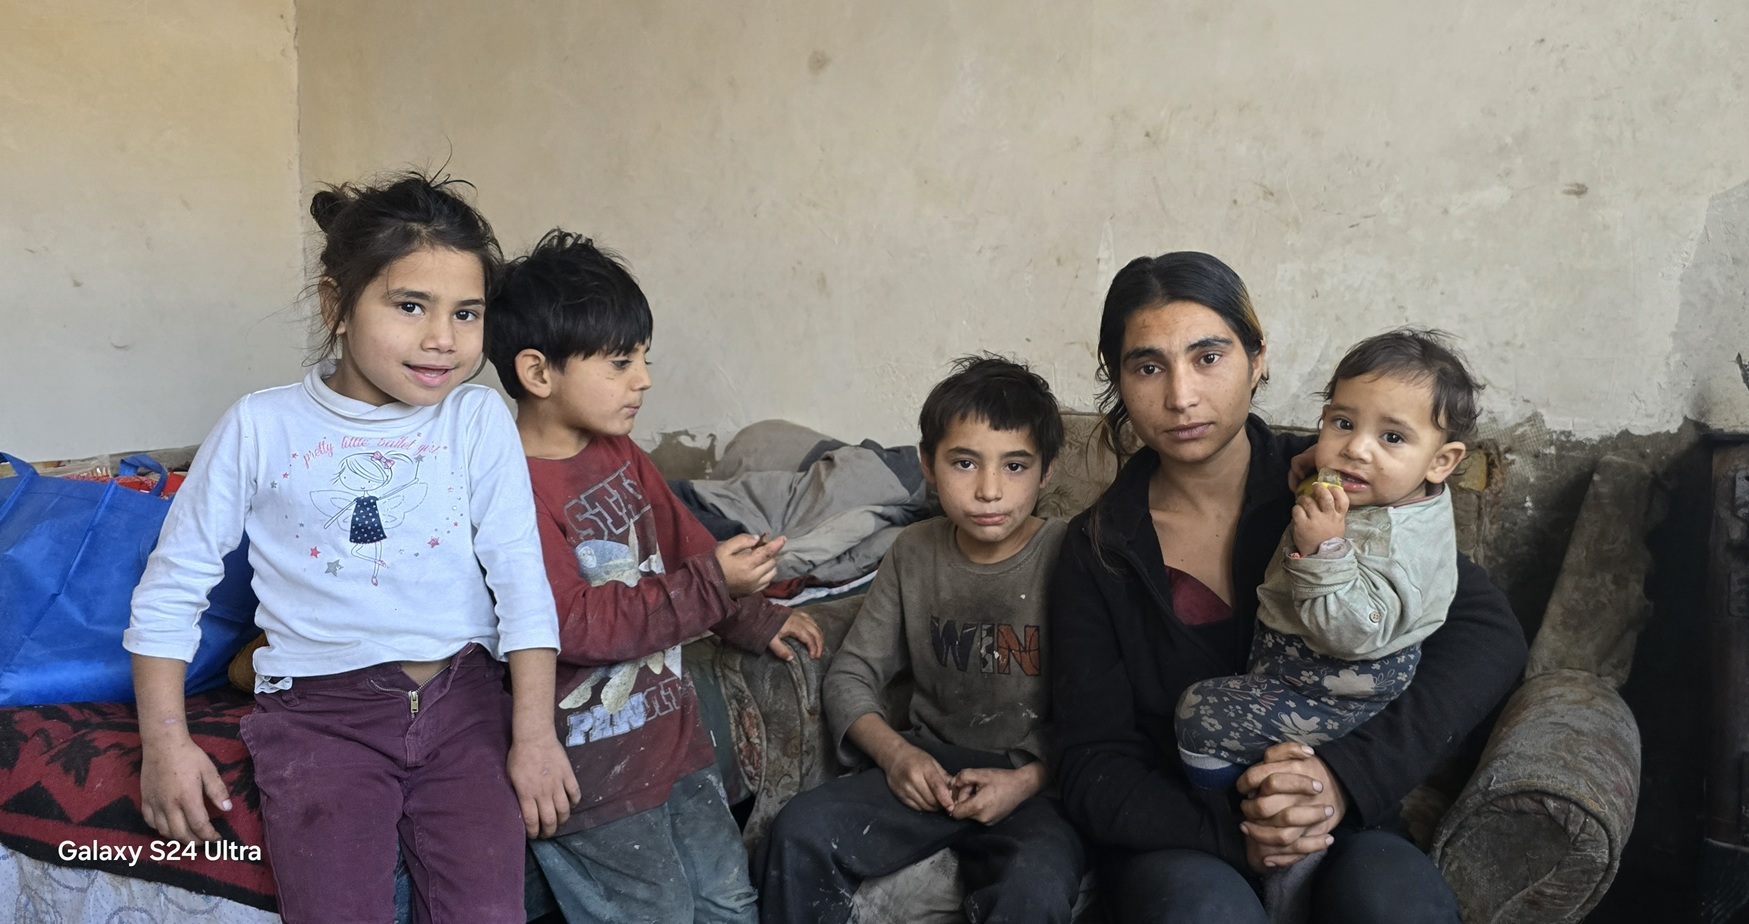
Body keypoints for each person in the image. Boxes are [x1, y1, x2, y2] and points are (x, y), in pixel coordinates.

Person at [125, 172, 577, 924]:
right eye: (410, 306)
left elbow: (522, 581)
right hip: (319, 719)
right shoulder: (261, 427)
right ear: (336, 305)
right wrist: (164, 743)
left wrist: (533, 735)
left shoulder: (475, 419)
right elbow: (172, 589)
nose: (443, 338)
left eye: (466, 313)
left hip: (464, 707)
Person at [1050, 252, 1527, 923]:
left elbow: (1489, 635)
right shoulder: (1099, 548)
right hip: (1185, 835)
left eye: (1208, 357)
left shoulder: (1342, 482)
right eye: (1148, 366)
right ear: (1118, 380)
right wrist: (1235, 836)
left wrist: (1342, 781)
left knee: (1394, 903)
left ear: (1258, 359)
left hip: (1342, 818)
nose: (1181, 396)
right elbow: (1091, 760)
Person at [485, 229, 823, 924]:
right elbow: (571, 622)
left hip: (672, 741)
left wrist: (754, 613)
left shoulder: (619, 452)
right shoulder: (508, 488)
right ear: (538, 373)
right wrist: (712, 585)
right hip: (589, 770)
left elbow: (685, 547)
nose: (643, 378)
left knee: (728, 900)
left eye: (643, 358)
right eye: (620, 362)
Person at [757, 356, 1088, 924]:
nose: (989, 490)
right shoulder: (912, 552)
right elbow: (852, 673)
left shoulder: (1071, 556)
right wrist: (896, 755)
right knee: (798, 832)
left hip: (1036, 784)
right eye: (964, 462)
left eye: (1014, 466)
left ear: (1047, 472)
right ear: (927, 465)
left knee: (1035, 883)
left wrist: (1027, 780)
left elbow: (1101, 708)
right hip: (930, 767)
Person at [1176, 329, 1479, 790]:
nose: (1356, 449)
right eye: (1343, 423)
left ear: (1442, 461)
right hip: (1311, 667)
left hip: (1335, 682)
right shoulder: (1411, 490)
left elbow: (1355, 631)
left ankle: (1239, 803)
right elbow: (1367, 452)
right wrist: (1320, 456)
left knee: (1199, 715)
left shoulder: (1393, 541)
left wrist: (1323, 551)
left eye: (1392, 436)